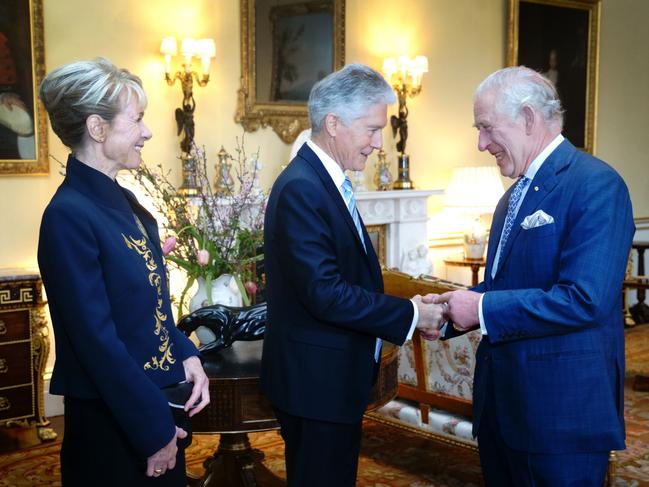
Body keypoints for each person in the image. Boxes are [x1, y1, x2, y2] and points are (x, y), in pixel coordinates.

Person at [435, 66, 634, 486]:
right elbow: (510, 285)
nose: (481, 143)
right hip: (503, 412)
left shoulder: (596, 185)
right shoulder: (512, 196)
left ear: (528, 118)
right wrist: (450, 311)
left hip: (561, 417)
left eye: (487, 128)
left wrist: (482, 308)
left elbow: (584, 298)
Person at [260, 63, 444, 487]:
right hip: (315, 385)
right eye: (372, 129)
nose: (379, 143)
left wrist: (409, 309)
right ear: (334, 123)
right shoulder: (303, 188)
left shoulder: (325, 181)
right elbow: (325, 293)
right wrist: (410, 315)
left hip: (328, 380)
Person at [37, 58, 210, 486]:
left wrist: (188, 354)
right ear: (98, 129)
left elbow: (150, 310)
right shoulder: (68, 216)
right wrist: (153, 431)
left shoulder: (127, 204)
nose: (148, 131)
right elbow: (97, 342)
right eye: (137, 120)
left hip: (155, 407)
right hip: (114, 426)